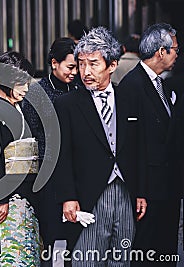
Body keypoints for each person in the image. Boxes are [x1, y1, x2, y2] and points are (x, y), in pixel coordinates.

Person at [53, 27, 147, 266]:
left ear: (112, 66)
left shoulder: (129, 99)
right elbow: (60, 154)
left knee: (122, 258)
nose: (86, 72)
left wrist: (141, 192)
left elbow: (138, 148)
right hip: (89, 194)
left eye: (93, 64)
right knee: (86, 259)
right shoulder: (67, 104)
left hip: (126, 191)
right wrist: (68, 197)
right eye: (81, 64)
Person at [118, 23, 181, 267]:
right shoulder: (132, 86)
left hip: (167, 186)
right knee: (147, 252)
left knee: (167, 250)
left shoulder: (163, 85)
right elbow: (130, 145)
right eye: (175, 49)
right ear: (161, 51)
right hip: (148, 190)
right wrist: (138, 191)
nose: (177, 54)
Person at [0, 51, 41, 266]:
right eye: (20, 83)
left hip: (25, 191)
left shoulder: (19, 107)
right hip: (5, 196)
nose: (25, 89)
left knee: (26, 253)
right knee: (8, 253)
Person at [22, 37, 77, 266]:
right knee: (50, 236)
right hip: (48, 174)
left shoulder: (80, 88)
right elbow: (31, 133)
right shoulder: (37, 93)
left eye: (79, 67)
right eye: (71, 66)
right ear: (54, 63)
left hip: (76, 171)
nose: (75, 72)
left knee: (76, 238)